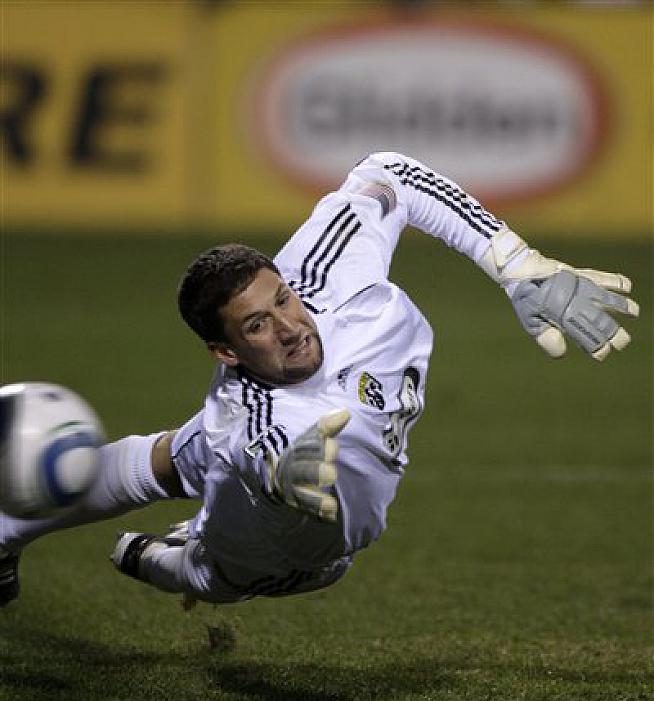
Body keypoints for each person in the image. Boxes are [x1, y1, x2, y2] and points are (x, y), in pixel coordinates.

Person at [0, 151, 639, 608]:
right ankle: (169, 557)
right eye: (257, 326)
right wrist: (283, 478)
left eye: (282, 298)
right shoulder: (246, 425)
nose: (289, 327)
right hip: (276, 526)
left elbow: (391, 173)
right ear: (225, 352)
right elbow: (263, 450)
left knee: (167, 459)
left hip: (249, 454)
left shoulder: (326, 271)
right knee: (243, 571)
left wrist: (515, 264)